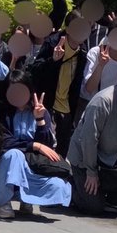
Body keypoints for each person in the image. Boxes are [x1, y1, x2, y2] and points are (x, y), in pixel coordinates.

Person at [67, 62, 117, 215]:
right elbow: (88, 139)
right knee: (94, 208)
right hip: (87, 159)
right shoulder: (102, 101)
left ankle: (115, 201)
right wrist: (91, 172)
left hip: (113, 157)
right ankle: (70, 186)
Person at [0, 70, 72, 219]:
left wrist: (40, 121)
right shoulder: (1, 112)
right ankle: (3, 202)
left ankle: (25, 199)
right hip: (7, 165)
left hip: (33, 166)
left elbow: (48, 145)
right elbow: (4, 142)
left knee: (58, 185)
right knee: (14, 155)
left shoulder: (41, 111)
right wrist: (33, 145)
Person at [26, 12, 88, 155]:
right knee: (46, 150)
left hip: (67, 110)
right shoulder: (53, 43)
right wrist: (53, 60)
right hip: (47, 106)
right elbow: (35, 71)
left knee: (62, 152)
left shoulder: (83, 51)